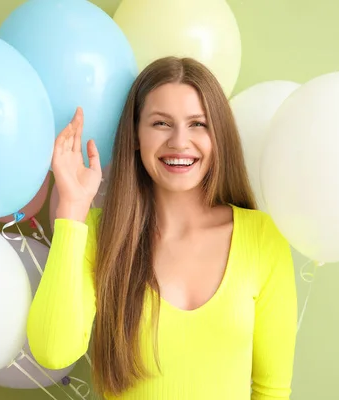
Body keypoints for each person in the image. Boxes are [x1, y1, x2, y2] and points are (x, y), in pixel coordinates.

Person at [27, 56, 297, 400]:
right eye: (161, 124)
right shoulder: (99, 232)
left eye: (198, 124)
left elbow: (272, 390)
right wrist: (72, 209)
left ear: (219, 136)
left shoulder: (263, 237)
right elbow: (53, 351)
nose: (179, 142)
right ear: (136, 136)